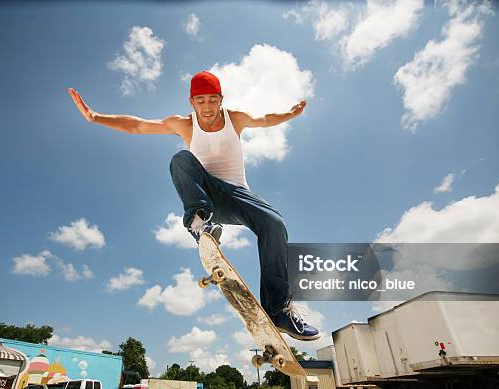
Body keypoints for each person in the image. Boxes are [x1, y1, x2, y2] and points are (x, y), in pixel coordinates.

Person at [69, 71, 319, 341]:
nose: (207, 107)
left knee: (275, 224)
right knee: (181, 159)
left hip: (237, 196)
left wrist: (290, 115)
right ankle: (199, 224)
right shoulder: (184, 124)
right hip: (207, 198)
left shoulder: (235, 118)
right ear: (192, 102)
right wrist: (95, 117)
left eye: (213, 100)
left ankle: (278, 309)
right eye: (201, 101)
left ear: (221, 99)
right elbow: (138, 125)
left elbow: (266, 119)